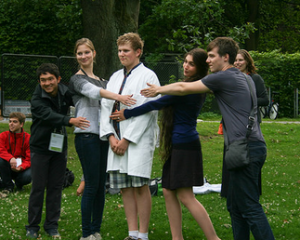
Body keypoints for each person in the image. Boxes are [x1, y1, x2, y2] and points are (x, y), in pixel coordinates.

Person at [140, 37, 275, 240]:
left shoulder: (224, 77)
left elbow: (184, 88)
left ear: (225, 57)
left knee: (249, 206)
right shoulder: (243, 77)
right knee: (235, 206)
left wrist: (158, 90)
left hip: (245, 149)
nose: (208, 60)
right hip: (248, 147)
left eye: (211, 56)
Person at [111, 48, 220, 240]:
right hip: (178, 144)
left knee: (186, 196)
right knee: (169, 192)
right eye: (185, 62)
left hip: (185, 145)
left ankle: (214, 238)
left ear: (200, 67)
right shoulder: (186, 85)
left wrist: (126, 113)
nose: (186, 66)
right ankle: (177, 238)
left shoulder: (191, 88)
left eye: (191, 64)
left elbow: (155, 104)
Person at [69, 38, 135, 240]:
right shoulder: (77, 79)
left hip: (103, 137)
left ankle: (95, 231)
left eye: (86, 52)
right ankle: (86, 233)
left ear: (94, 53)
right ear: (76, 56)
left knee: (100, 185)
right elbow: (94, 93)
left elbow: (108, 104)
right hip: (86, 136)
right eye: (79, 53)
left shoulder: (103, 80)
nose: (83, 56)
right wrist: (118, 97)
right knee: (90, 184)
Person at [100, 32, 160, 240]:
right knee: (125, 187)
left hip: (137, 140)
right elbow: (105, 107)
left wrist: (127, 139)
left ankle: (143, 235)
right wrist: (110, 136)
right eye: (119, 51)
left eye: (126, 50)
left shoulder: (148, 76)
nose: (122, 54)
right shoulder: (115, 77)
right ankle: (132, 233)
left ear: (138, 52)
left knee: (140, 186)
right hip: (115, 140)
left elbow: (148, 110)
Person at [26, 63, 90, 239]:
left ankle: (51, 225)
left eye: (50, 79)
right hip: (40, 147)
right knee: (38, 188)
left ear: (58, 79)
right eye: (43, 80)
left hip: (58, 147)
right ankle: (32, 226)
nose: (47, 83)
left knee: (56, 187)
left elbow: (80, 98)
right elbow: (48, 115)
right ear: (39, 81)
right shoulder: (37, 98)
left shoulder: (64, 91)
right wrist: (71, 120)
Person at [221, 49, 269, 198]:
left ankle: (252, 189)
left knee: (249, 156)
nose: (237, 63)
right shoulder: (230, 78)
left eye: (240, 60)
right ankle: (229, 190)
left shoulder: (255, 78)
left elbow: (265, 100)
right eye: (235, 60)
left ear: (247, 61)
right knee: (230, 155)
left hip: (249, 125)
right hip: (231, 123)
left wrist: (246, 100)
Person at [0, 112, 31, 194]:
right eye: (10, 121)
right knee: (1, 160)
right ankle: (8, 186)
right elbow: (1, 150)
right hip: (6, 166)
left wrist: (21, 167)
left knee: (30, 173)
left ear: (21, 124)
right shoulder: (3, 136)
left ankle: (18, 184)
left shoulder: (28, 138)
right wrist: (11, 158)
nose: (11, 124)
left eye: (15, 122)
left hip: (20, 168)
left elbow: (29, 159)